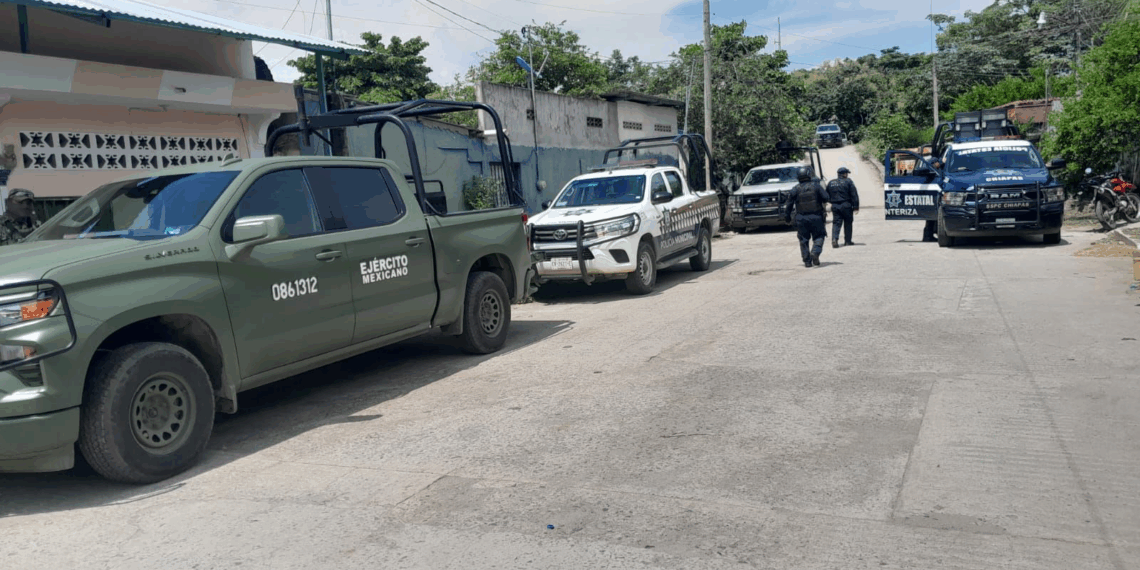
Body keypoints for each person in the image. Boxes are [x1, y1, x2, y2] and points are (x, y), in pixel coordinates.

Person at [784, 167, 830, 267]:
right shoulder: (816, 186)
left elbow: (789, 205)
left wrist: (787, 218)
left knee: (803, 240)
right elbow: (826, 197)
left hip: (801, 218)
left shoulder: (795, 189)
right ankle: (815, 252)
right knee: (819, 236)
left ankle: (807, 262)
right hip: (816, 216)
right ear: (809, 175)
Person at [826, 166, 860, 247]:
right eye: (846, 173)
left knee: (836, 223)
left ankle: (834, 239)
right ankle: (848, 241)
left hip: (835, 205)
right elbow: (854, 195)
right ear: (844, 174)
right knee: (848, 223)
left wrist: (832, 201)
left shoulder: (831, 183)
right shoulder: (848, 182)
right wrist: (856, 206)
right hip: (846, 205)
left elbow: (826, 195)